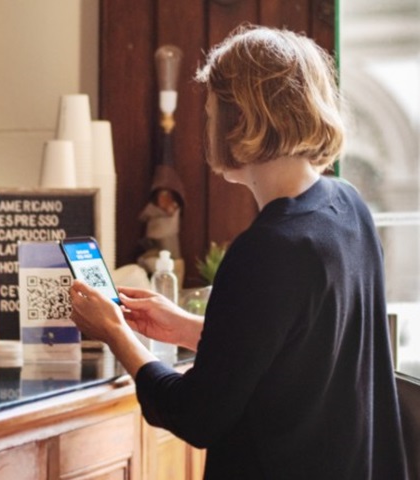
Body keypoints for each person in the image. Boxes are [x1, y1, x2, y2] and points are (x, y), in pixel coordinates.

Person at [69, 25, 407, 479]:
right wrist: (187, 329)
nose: (206, 128)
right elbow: (299, 350)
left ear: (241, 120)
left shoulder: (268, 248)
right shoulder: (347, 206)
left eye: (210, 114)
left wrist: (117, 335)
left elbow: (195, 415)